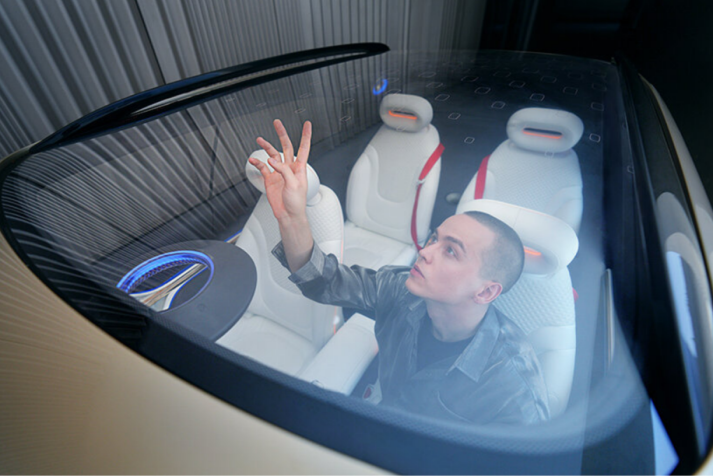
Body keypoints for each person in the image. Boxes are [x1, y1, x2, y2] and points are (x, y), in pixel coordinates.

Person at [249, 119, 550, 425]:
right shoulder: (399, 288)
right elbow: (322, 280)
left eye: (450, 251)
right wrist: (292, 217)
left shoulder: (513, 386)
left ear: (486, 291)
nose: (425, 251)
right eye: (435, 238)